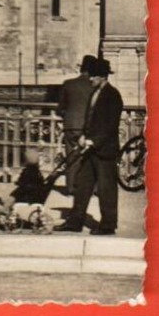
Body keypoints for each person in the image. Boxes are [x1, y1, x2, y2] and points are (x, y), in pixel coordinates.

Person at [57, 57, 124, 235]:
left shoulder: (112, 95)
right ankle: (75, 222)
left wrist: (93, 140)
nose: (90, 79)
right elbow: (90, 120)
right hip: (91, 148)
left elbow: (110, 125)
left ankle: (108, 225)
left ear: (102, 77)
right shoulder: (95, 93)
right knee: (82, 185)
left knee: (106, 188)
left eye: (93, 77)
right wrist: (84, 136)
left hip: (104, 150)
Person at [57, 54, 97, 194]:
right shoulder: (94, 86)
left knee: (71, 157)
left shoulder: (68, 84)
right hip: (88, 126)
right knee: (89, 158)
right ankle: (88, 188)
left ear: (81, 68)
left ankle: (70, 188)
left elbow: (60, 108)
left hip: (71, 125)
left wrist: (68, 117)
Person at [0, 148, 46, 221]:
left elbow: (21, 181)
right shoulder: (37, 172)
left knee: (15, 195)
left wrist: (18, 182)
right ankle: (7, 203)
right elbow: (40, 182)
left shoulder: (27, 171)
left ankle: (5, 207)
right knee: (16, 193)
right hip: (36, 194)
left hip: (28, 195)